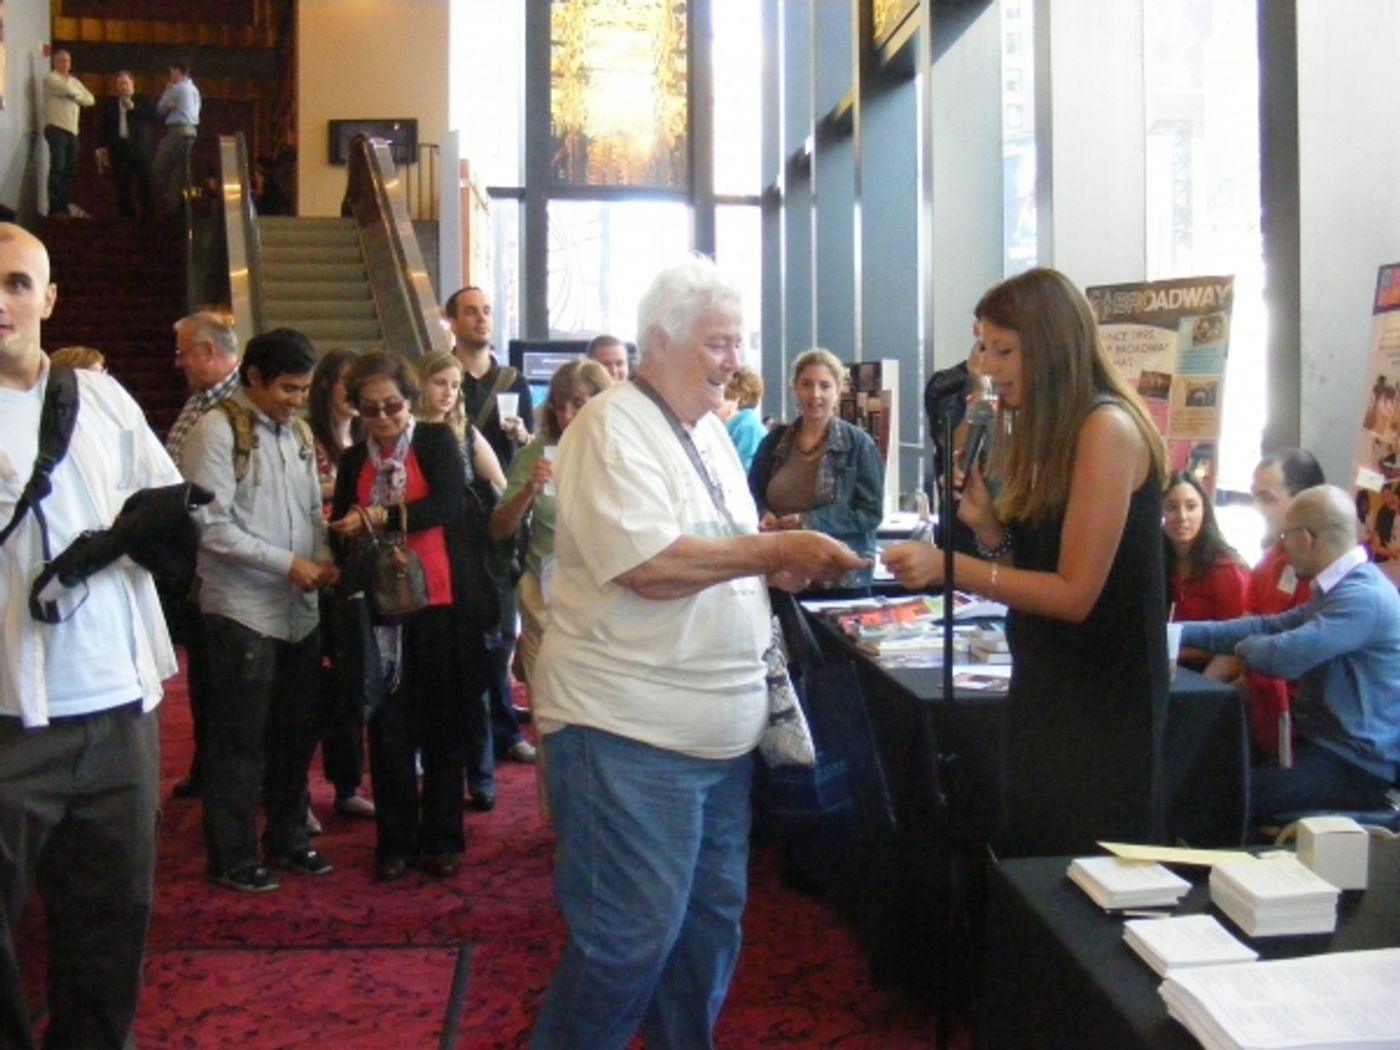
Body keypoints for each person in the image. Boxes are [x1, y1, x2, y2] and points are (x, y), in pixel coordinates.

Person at [529, 255, 865, 1049]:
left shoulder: (708, 431)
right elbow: (650, 567)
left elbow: (715, 548)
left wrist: (773, 562)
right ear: (657, 342)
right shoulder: (613, 426)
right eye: (718, 342)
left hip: (719, 740)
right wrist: (764, 553)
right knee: (625, 947)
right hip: (627, 737)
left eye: (738, 342)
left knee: (707, 938)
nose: (735, 361)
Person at [883, 267, 1170, 858]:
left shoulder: (1105, 428)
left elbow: (1074, 595)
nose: (987, 366)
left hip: (1100, 699)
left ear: (1049, 345)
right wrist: (988, 529)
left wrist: (950, 567)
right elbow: (1034, 570)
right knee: (1034, 855)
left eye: (1004, 349)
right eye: (983, 347)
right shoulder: (1054, 431)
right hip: (1048, 680)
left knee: (1080, 864)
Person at [0, 222, 181, 1049]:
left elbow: (167, 504)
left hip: (115, 708)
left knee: (109, 931)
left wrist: (136, 538)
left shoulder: (100, 398)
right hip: (7, 717)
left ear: (48, 298)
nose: (2, 302)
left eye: (16, 283)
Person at [329, 351, 500, 881]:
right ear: (356, 410)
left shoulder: (433, 440)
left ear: (410, 401)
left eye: (393, 406)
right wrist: (348, 532)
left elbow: (447, 505)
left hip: (440, 603)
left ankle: (444, 837)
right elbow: (339, 522)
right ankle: (396, 841)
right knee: (387, 727)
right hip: (380, 611)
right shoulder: (356, 460)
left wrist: (384, 516)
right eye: (371, 409)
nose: (383, 419)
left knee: (442, 723)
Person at [182, 328, 337, 892]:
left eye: (303, 389)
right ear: (253, 378)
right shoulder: (215, 431)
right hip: (241, 610)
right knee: (238, 740)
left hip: (299, 607)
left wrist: (320, 559)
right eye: (288, 388)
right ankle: (232, 853)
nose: (297, 399)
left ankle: (289, 837)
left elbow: (311, 513)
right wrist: (286, 563)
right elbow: (209, 525)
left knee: (296, 734)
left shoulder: (296, 431)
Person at [1181, 485, 1400, 819]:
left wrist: (1240, 648)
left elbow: (1284, 656)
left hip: (1353, 767)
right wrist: (1179, 632)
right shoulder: (1337, 589)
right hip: (1321, 748)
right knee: (1201, 770)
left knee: (1219, 798)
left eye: (1287, 535)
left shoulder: (1362, 598)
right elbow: (1267, 627)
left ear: (1309, 538)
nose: (1283, 545)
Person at [414, 349, 522, 791]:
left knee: (475, 666)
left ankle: (480, 775)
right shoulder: (407, 435)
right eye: (440, 382)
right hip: (423, 558)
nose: (448, 392)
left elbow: (499, 486)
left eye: (455, 385)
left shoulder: (465, 433)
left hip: (466, 559)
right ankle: (434, 757)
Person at [489, 359, 612, 689]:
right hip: (545, 599)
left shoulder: (622, 452)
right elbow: (499, 528)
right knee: (548, 710)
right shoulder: (536, 453)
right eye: (559, 406)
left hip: (605, 600)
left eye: (579, 405)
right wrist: (528, 490)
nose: (567, 416)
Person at [165, 310, 241, 800]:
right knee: (207, 673)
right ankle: (208, 760)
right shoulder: (201, 402)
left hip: (225, 561)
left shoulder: (235, 408)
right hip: (195, 560)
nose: (177, 363)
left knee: (226, 678)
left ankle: (223, 770)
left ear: (210, 352)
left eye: (183, 352)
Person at [748, 348, 884, 593]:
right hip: (779, 575)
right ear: (794, 388)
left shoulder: (858, 444)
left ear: (839, 390)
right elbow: (750, 492)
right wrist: (763, 512)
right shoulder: (774, 441)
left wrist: (806, 522)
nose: (815, 394)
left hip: (838, 581)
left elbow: (870, 512)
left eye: (825, 386)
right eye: (806, 384)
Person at [306, 348, 376, 822]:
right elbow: (302, 492)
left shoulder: (370, 436)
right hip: (312, 569)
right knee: (310, 686)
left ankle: (347, 784)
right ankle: (295, 794)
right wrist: (344, 492)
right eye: (344, 383)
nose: (352, 395)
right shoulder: (305, 436)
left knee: (353, 684)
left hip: (358, 570)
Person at [1162, 469, 1249, 668]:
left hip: (1210, 673)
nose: (1182, 516)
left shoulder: (1227, 568)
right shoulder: (1155, 562)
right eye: (1171, 507)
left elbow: (1237, 642)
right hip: (1161, 668)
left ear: (1205, 511)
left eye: (1191, 507)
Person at [445, 285, 533, 468]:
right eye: (471, 312)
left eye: (486, 311)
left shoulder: (514, 381)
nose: (481, 318)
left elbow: (532, 445)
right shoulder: (439, 380)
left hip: (503, 491)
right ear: (453, 323)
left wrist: (522, 435)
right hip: (456, 489)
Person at [96, 70, 158, 219]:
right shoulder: (111, 105)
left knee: (145, 183)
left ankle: (149, 218)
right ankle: (127, 218)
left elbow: (152, 116)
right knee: (122, 186)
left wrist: (133, 108)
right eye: (119, 84)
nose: (123, 87)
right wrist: (101, 148)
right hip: (119, 149)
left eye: (125, 83)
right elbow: (104, 128)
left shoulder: (143, 99)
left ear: (132, 83)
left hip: (139, 149)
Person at [42, 49, 96, 217]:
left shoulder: (75, 81)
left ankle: (63, 205)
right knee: (58, 166)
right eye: (62, 60)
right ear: (55, 62)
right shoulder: (51, 78)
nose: (66, 64)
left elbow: (90, 99)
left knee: (70, 169)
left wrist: (75, 96)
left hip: (73, 131)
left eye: (68, 60)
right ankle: (55, 207)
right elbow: (68, 91)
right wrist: (75, 95)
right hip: (56, 127)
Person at [153, 60, 201, 215]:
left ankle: (173, 196)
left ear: (177, 72)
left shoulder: (177, 88)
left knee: (159, 165)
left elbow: (160, 108)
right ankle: (175, 205)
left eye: (171, 72)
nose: (170, 76)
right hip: (191, 130)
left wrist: (167, 91)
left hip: (177, 130)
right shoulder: (194, 90)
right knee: (178, 170)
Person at [719, 366, 766, 471]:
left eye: (721, 398)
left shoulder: (748, 429)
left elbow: (744, 474)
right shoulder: (744, 427)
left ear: (736, 401)